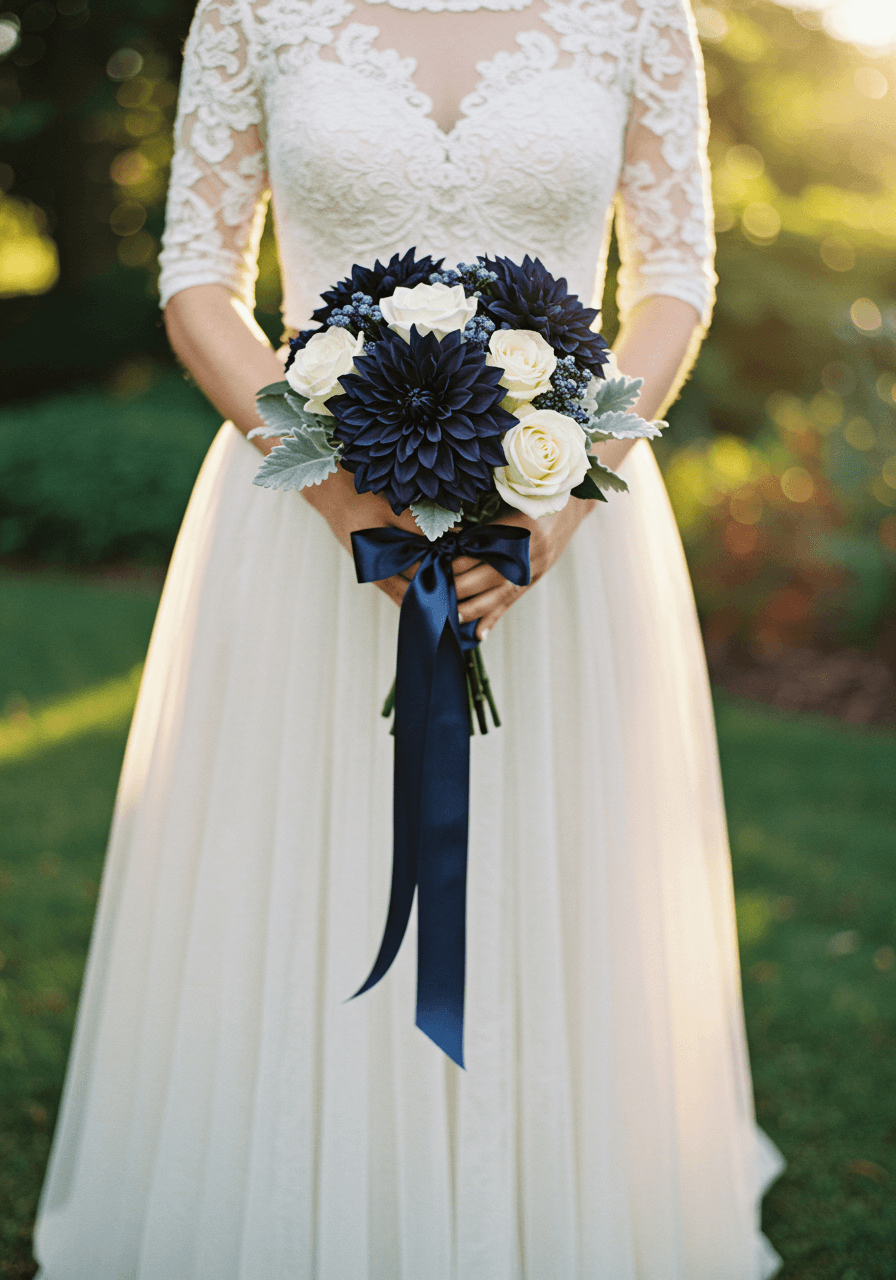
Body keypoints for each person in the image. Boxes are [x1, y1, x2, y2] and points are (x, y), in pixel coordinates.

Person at [33, 0, 784, 1274]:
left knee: (546, 868)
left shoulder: (636, 12)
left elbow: (672, 285)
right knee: (295, 864)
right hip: (301, 524)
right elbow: (196, 280)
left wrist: (561, 499)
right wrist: (337, 496)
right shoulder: (253, 10)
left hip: (559, 529)